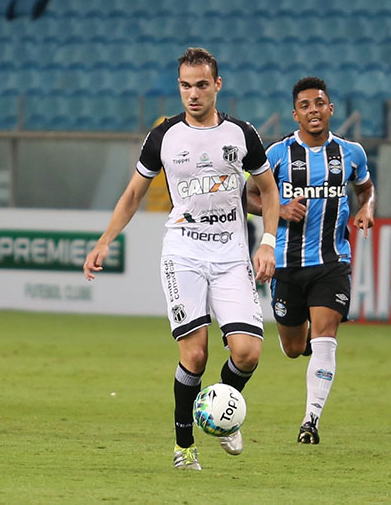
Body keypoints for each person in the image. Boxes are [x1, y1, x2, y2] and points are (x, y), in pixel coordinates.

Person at [83, 47, 280, 470]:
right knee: (195, 356)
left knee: (247, 353)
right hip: (184, 252)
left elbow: (268, 189)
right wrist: (104, 240)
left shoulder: (242, 134)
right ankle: (183, 445)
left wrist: (268, 241)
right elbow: (134, 193)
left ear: (218, 85)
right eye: (185, 86)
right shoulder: (164, 136)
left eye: (202, 85)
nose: (193, 94)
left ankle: (222, 404)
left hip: (231, 255)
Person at [248, 76, 375, 445]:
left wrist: (367, 209)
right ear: (295, 114)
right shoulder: (277, 154)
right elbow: (250, 197)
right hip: (287, 264)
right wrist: (280, 209)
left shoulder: (351, 153)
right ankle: (306, 344)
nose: (313, 111)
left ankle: (310, 420)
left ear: (330, 109)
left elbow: (366, 188)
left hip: (332, 262)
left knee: (324, 336)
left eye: (319, 103)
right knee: (292, 348)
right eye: (305, 106)